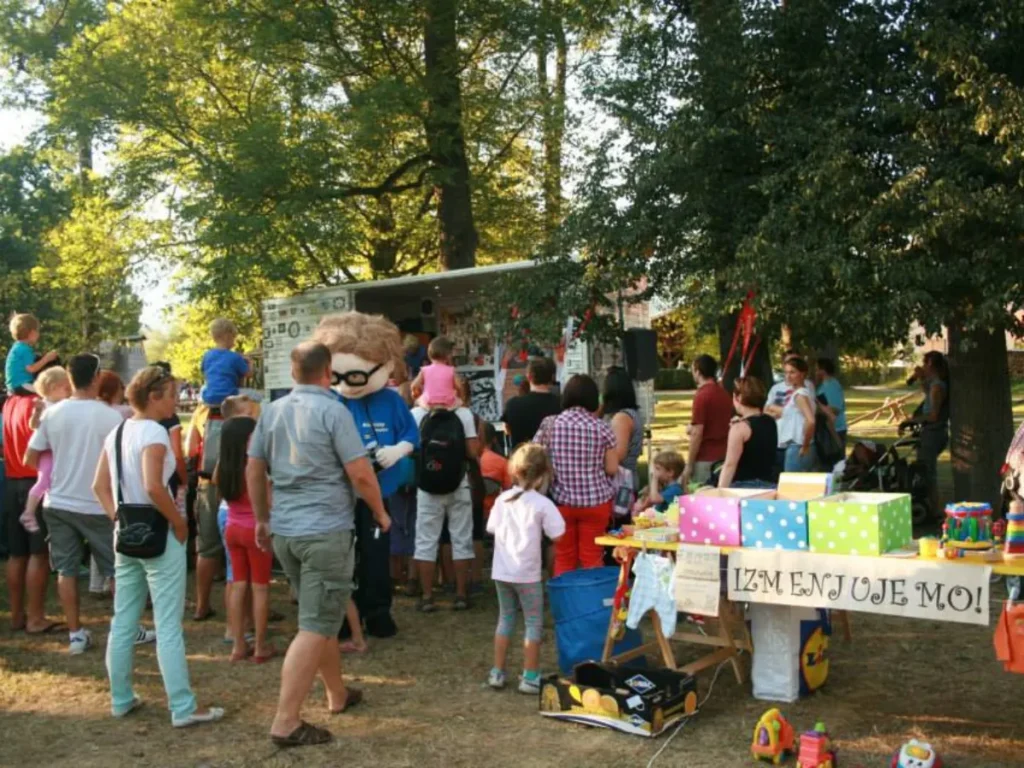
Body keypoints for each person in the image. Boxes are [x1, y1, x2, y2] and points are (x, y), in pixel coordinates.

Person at [247, 342, 390, 748]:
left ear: (293, 373)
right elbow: (361, 474)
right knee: (314, 626)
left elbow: (254, 469)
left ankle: (337, 694)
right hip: (325, 531)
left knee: (320, 616)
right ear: (329, 372)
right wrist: (380, 513)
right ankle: (286, 721)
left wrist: (262, 517)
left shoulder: (271, 412)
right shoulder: (334, 411)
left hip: (287, 533)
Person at [92, 366, 224, 728]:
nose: (176, 402)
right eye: (171, 395)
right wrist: (179, 523)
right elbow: (153, 486)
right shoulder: (153, 432)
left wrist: (117, 517)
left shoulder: (118, 432)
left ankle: (120, 698)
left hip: (126, 536)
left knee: (124, 620)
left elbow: (99, 486)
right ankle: (182, 706)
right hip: (159, 533)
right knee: (167, 625)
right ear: (154, 396)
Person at [26, 354, 155, 655]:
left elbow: (30, 457)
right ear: (96, 378)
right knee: (118, 571)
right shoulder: (110, 417)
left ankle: (76, 634)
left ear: (69, 379)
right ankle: (128, 628)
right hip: (97, 504)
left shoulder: (53, 414)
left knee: (66, 570)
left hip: (57, 501)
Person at [486, 443, 565, 693]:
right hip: (528, 573)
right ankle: (530, 676)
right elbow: (559, 534)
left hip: (502, 571)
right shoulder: (542, 504)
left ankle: (497, 672)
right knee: (533, 622)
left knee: (505, 618)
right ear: (543, 475)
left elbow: (491, 529)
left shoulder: (502, 500)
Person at [534, 374, 619, 577]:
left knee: (564, 556)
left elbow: (535, 458)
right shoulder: (602, 427)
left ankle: (566, 603)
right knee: (592, 556)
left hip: (561, 502)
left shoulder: (549, 424)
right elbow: (612, 469)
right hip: (596, 503)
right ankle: (592, 602)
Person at [215, 415, 275, 663]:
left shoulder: (223, 466)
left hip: (232, 527)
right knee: (260, 588)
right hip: (255, 530)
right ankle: (260, 646)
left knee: (238, 584)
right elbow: (269, 502)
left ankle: (238, 644)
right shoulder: (254, 467)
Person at [410, 399, 480, 612]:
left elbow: (412, 448)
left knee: (425, 540)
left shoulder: (417, 413)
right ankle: (460, 594)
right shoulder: (464, 414)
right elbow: (472, 451)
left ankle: (427, 596)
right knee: (461, 538)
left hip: (427, 485)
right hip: (458, 483)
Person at [3, 386, 55, 633]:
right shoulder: (37, 403)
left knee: (16, 553)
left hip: (11, 480)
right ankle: (35, 617)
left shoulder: (10, 403)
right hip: (34, 482)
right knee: (38, 553)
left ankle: (16, 615)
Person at [18, 367, 72, 533]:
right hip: (47, 451)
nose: (69, 391)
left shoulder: (64, 404)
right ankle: (28, 512)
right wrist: (37, 412)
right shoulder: (44, 405)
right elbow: (33, 425)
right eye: (66, 387)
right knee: (44, 480)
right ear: (52, 387)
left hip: (56, 450)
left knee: (52, 480)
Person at [907, 351, 950, 516]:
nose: (923, 367)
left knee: (928, 472)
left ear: (931, 364)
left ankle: (936, 510)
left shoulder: (938, 386)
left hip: (934, 433)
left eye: (925, 364)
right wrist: (921, 379)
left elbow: (933, 415)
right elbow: (928, 393)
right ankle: (931, 507)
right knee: (924, 470)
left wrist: (912, 421)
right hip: (929, 433)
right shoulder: (933, 385)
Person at [683, 355, 734, 488]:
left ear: (698, 371)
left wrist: (689, 464)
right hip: (724, 454)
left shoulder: (702, 395)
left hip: (705, 458)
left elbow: (697, 433)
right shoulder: (724, 393)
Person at [718, 377, 779, 488]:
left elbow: (730, 465)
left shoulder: (739, 428)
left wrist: (720, 491)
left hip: (743, 486)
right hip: (768, 484)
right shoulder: (770, 421)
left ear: (739, 398)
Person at [500, 357, 561, 449]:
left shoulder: (513, 405)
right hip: (551, 460)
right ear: (552, 377)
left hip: (521, 459)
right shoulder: (561, 404)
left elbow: (507, 430)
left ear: (529, 376)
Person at [601, 367, 644, 488]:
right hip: (628, 478)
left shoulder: (621, 418)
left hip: (621, 484)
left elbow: (618, 454)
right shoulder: (631, 413)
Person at [775, 357, 818, 473]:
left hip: (797, 445)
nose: (788, 376)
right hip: (799, 445)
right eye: (786, 372)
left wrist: (805, 445)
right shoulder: (804, 393)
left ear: (802, 374)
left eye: (792, 372)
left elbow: (811, 421)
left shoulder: (799, 395)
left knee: (790, 487)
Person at [200, 318, 251, 407]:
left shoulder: (207, 355)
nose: (234, 341)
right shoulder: (235, 357)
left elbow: (205, 373)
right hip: (230, 396)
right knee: (260, 397)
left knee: (204, 388)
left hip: (209, 398)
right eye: (233, 337)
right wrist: (250, 362)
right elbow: (249, 374)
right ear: (227, 336)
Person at [5, 313, 58, 395]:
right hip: (22, 384)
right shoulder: (25, 349)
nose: (38, 334)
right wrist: (46, 358)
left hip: (13, 386)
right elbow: (31, 369)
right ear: (32, 333)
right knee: (46, 391)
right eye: (37, 331)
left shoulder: (17, 347)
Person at [411, 336, 464, 409]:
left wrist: (417, 395)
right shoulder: (451, 370)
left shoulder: (425, 370)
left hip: (429, 403)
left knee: (418, 401)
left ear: (429, 354)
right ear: (448, 355)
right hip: (448, 404)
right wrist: (459, 396)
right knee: (460, 401)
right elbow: (459, 386)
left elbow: (414, 385)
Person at [816, 358, 847, 446]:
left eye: (817, 370)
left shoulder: (832, 385)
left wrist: (815, 410)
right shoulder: (823, 385)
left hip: (836, 430)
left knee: (835, 458)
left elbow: (835, 409)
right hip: (827, 430)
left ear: (823, 371)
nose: (815, 372)